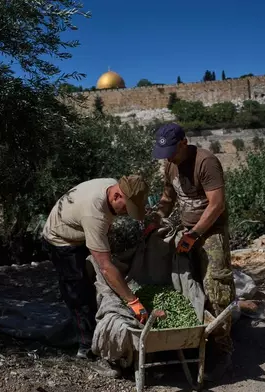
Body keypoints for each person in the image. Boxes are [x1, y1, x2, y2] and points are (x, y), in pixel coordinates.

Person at [149, 122, 236, 381]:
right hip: (187, 231)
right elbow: (168, 198)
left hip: (210, 232)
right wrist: (155, 219)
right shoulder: (170, 164)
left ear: (184, 143)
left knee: (216, 288)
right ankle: (195, 340)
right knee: (189, 286)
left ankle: (222, 349)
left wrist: (195, 234)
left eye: (172, 152)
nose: (168, 158)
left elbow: (217, 204)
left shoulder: (205, 162)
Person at [41, 175, 150, 366]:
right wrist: (133, 301)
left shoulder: (111, 186)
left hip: (79, 228)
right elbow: (106, 268)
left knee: (91, 281)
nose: (125, 213)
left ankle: (93, 322)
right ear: (117, 196)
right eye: (126, 208)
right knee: (77, 292)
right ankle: (86, 345)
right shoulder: (95, 214)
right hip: (61, 240)